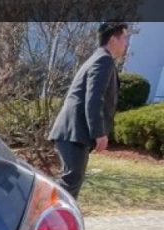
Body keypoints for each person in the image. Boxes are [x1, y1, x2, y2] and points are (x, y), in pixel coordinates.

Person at [48, 22, 129, 199]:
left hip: (73, 132)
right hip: (74, 132)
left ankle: (50, 217)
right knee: (70, 182)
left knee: (70, 181)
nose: (126, 44)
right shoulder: (103, 60)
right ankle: (46, 217)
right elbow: (94, 98)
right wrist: (99, 133)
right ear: (113, 39)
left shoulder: (99, 58)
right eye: (124, 38)